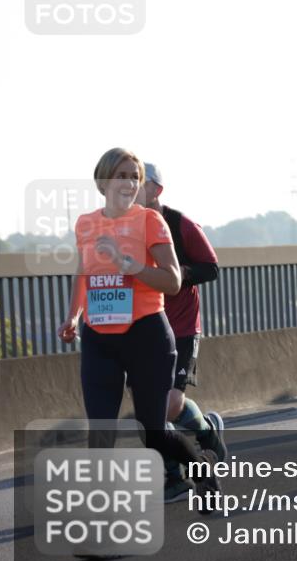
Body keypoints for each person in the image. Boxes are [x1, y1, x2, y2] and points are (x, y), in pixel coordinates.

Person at [56, 148, 220, 516]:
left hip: (146, 336)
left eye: (135, 176)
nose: (130, 183)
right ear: (103, 182)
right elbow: (84, 272)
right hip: (99, 338)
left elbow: (173, 281)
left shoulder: (150, 221)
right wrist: (72, 317)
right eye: (122, 175)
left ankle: (201, 469)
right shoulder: (86, 223)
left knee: (153, 432)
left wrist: (128, 264)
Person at [138, 163, 228, 503]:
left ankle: (206, 432)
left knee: (171, 404)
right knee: (151, 412)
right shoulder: (125, 229)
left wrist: (175, 274)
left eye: (139, 182)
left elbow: (211, 268)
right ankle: (175, 479)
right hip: (143, 329)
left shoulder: (180, 225)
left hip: (182, 327)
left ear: (156, 190)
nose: (131, 188)